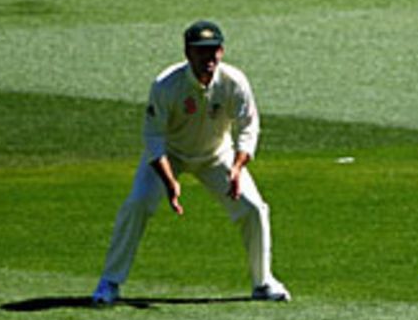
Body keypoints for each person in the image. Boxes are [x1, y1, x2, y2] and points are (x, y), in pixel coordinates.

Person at [91, 20, 290, 305]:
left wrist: (237, 167)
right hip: (170, 155)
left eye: (214, 51)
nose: (209, 58)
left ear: (222, 51)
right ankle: (109, 283)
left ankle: (263, 282)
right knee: (138, 203)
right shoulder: (166, 85)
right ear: (188, 53)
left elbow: (249, 126)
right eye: (201, 51)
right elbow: (153, 135)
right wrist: (169, 181)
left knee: (254, 209)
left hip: (217, 156)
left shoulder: (234, 82)